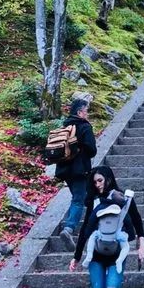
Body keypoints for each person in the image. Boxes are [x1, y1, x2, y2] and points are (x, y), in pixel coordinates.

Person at [71, 166, 144, 288]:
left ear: (108, 179)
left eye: (100, 180)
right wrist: (77, 256)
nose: (97, 185)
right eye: (94, 182)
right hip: (96, 254)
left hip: (117, 253)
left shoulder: (123, 199)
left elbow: (137, 220)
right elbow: (86, 230)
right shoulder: (94, 201)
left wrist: (141, 246)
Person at [55, 97, 98, 250]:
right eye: (86, 111)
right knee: (78, 200)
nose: (87, 114)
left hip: (65, 170)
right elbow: (92, 150)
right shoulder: (84, 127)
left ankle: (93, 224)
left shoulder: (65, 125)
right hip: (80, 170)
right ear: (80, 112)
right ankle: (69, 228)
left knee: (84, 197)